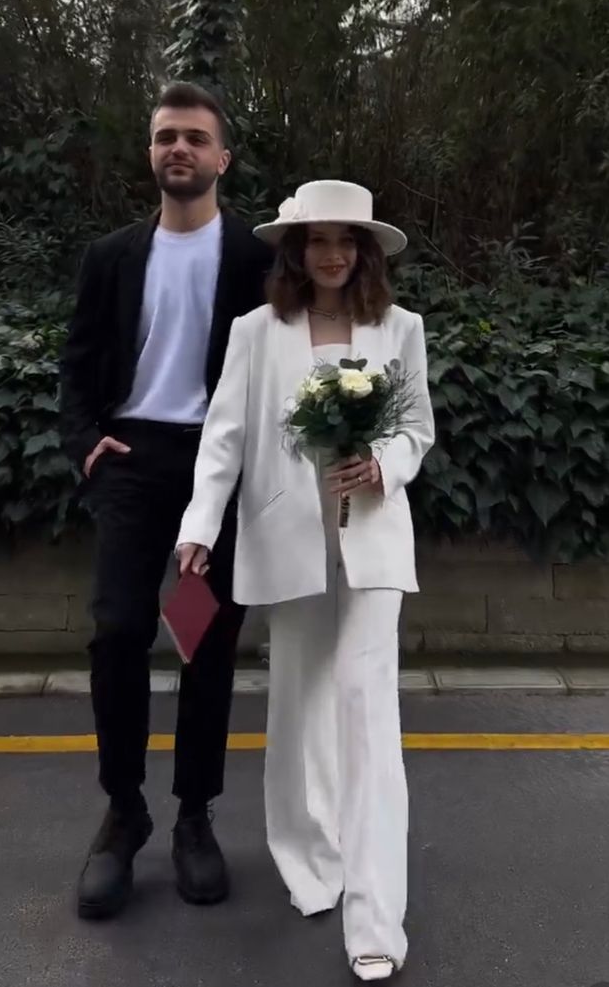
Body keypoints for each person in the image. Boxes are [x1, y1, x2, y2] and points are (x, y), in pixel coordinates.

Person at [176, 180, 435, 981]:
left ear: (364, 250)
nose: (332, 253)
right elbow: (223, 436)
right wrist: (198, 527)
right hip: (286, 541)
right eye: (317, 239)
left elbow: (418, 426)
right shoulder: (257, 331)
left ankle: (376, 914)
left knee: (366, 714)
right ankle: (309, 859)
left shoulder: (400, 328)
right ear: (295, 250)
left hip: (373, 542)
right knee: (296, 708)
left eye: (346, 240)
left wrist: (383, 463)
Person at [59, 81, 273, 920]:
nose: (177, 148)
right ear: (151, 153)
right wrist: (87, 443)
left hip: (217, 464)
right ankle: (124, 812)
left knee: (208, 639)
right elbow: (77, 367)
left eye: (193, 137)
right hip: (132, 459)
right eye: (163, 137)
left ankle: (193, 816)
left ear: (222, 157)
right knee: (117, 627)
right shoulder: (109, 255)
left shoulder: (260, 258)